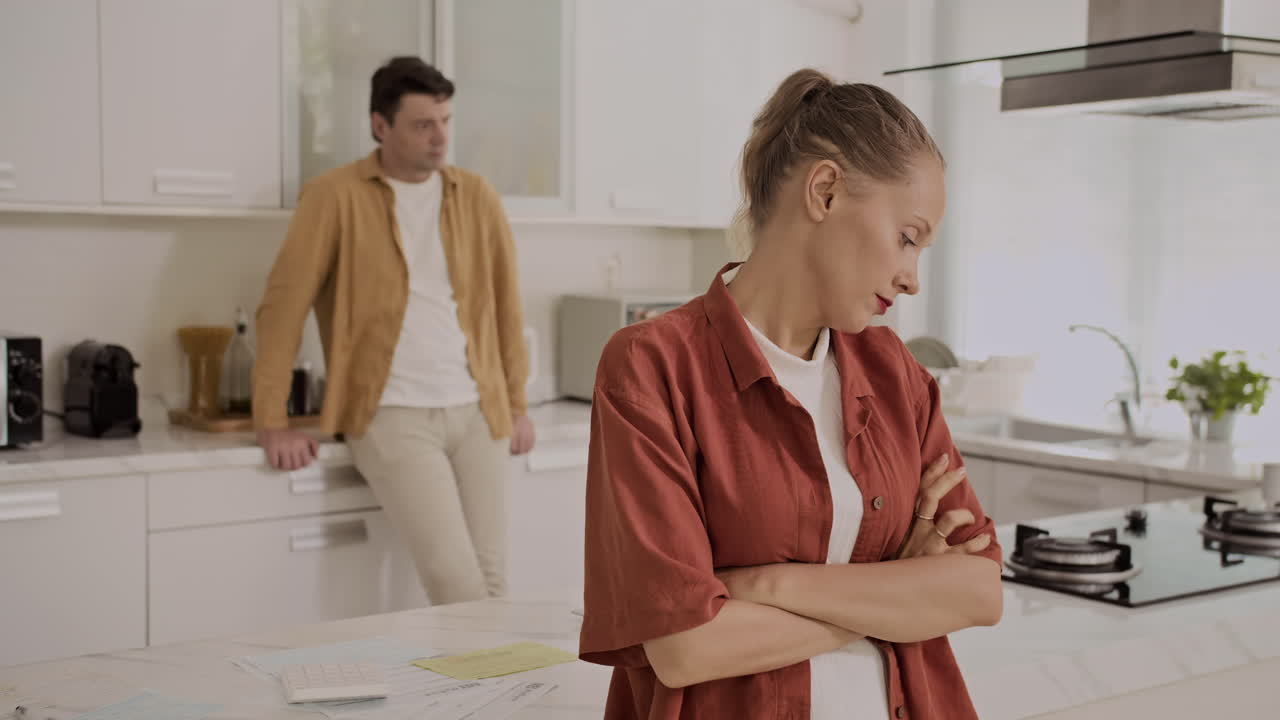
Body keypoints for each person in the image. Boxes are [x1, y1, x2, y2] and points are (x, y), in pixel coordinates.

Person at [578, 68, 1002, 719]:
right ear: (825, 191)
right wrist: (898, 594)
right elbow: (685, 647)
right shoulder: (652, 368)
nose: (912, 279)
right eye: (907, 237)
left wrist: (767, 586)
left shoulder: (895, 373)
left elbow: (978, 590)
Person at [253, 56, 535, 605]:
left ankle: (487, 669)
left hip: (480, 412)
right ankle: (487, 665)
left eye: (446, 121)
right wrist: (271, 421)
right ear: (380, 125)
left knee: (494, 582)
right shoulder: (333, 196)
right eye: (423, 125)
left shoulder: (476, 196)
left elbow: (506, 306)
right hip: (392, 414)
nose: (441, 138)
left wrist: (517, 404)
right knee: (457, 584)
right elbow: (282, 310)